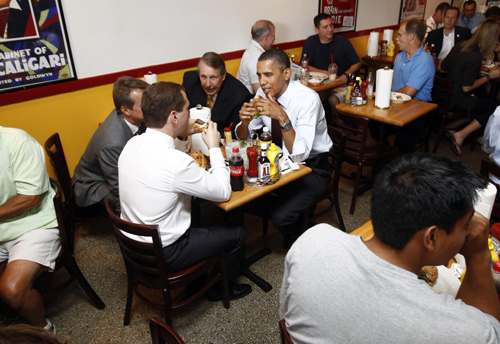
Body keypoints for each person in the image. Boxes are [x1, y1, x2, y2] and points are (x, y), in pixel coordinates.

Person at [280, 153, 500, 343]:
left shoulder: (313, 239)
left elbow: (287, 318)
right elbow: (490, 333)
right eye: (466, 225)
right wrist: (479, 254)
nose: (470, 231)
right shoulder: (462, 330)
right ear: (431, 237)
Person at [118, 81, 251, 301]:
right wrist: (214, 147)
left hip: (134, 248)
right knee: (237, 233)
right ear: (174, 117)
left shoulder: (132, 144)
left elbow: (167, 163)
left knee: (196, 211)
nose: (190, 114)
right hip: (166, 253)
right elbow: (223, 191)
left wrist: (180, 135)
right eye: (187, 109)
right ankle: (220, 289)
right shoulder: (176, 163)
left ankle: (199, 279)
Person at [235, 48, 332, 249]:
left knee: (280, 218)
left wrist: (282, 117)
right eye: (259, 75)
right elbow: (244, 137)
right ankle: (297, 216)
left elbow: (300, 155)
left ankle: (301, 239)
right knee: (241, 199)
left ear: (286, 74)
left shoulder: (307, 100)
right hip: (280, 162)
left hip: (312, 167)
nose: (262, 82)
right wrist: (244, 122)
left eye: (268, 75)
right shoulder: (263, 92)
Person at [0, 126, 61, 334]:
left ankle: (43, 330)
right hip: (3, 226)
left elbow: (30, 198)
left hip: (34, 224)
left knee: (12, 290)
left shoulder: (17, 141)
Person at [72, 76, 149, 211]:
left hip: (109, 174)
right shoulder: (113, 142)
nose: (151, 107)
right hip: (93, 185)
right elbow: (120, 186)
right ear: (125, 110)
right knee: (136, 198)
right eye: (144, 104)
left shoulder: (131, 117)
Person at [371, 19, 435, 154]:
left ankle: (397, 161)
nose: (397, 38)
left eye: (400, 35)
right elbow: (391, 81)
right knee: (373, 121)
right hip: (396, 105)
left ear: (411, 37)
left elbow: (408, 92)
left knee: (404, 137)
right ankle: (384, 155)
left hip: (418, 108)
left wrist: (383, 96)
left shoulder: (424, 60)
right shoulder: (400, 57)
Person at [441, 19, 500, 155]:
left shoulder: (461, 45)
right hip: (457, 99)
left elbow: (444, 67)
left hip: (444, 95)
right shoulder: (475, 56)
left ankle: (450, 127)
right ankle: (461, 134)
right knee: (493, 107)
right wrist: (489, 76)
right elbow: (466, 88)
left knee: (481, 98)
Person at [183, 52, 252, 138]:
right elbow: (183, 115)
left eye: (213, 77)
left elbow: (232, 131)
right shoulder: (189, 81)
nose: (208, 84)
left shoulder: (239, 94)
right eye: (203, 77)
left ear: (223, 76)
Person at [303, 13, 361, 107]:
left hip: (340, 84)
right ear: (317, 30)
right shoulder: (311, 42)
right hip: (320, 86)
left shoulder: (343, 42)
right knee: (312, 100)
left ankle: (342, 122)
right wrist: (325, 72)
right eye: (325, 27)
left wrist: (346, 75)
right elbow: (305, 66)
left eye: (331, 25)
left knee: (333, 99)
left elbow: (357, 63)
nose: (330, 29)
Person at [237, 20, 276, 94]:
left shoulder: (252, 49)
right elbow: (259, 91)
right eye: (273, 35)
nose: (274, 38)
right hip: (249, 100)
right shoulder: (256, 56)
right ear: (266, 38)